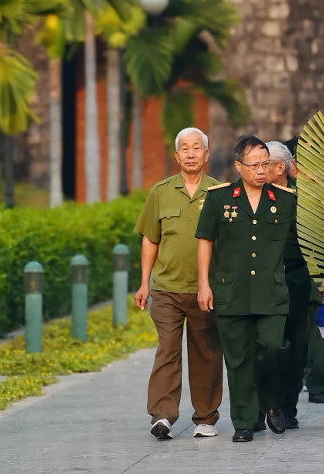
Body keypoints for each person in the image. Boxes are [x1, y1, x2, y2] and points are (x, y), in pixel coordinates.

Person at [196, 135, 296, 442]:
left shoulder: (286, 200)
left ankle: (271, 402)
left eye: (266, 164)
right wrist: (204, 285)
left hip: (271, 292)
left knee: (272, 348)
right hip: (231, 291)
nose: (261, 171)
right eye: (254, 165)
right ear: (239, 166)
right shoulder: (219, 198)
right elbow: (205, 241)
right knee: (237, 359)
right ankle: (243, 421)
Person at [133, 127, 223, 440]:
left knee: (206, 353)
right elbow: (150, 240)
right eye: (184, 148)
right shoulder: (160, 191)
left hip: (205, 290)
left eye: (196, 148)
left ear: (206, 154)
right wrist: (144, 283)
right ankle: (162, 415)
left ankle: (206, 417)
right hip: (166, 288)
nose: (190, 153)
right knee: (167, 349)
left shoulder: (220, 192)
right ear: (176, 155)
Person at [258, 140, 313, 429]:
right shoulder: (251, 197)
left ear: (280, 168)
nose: (258, 169)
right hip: (260, 280)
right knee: (264, 344)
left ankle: (287, 405)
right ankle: (260, 405)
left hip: (295, 277)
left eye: (264, 164)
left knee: (294, 343)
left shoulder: (304, 201)